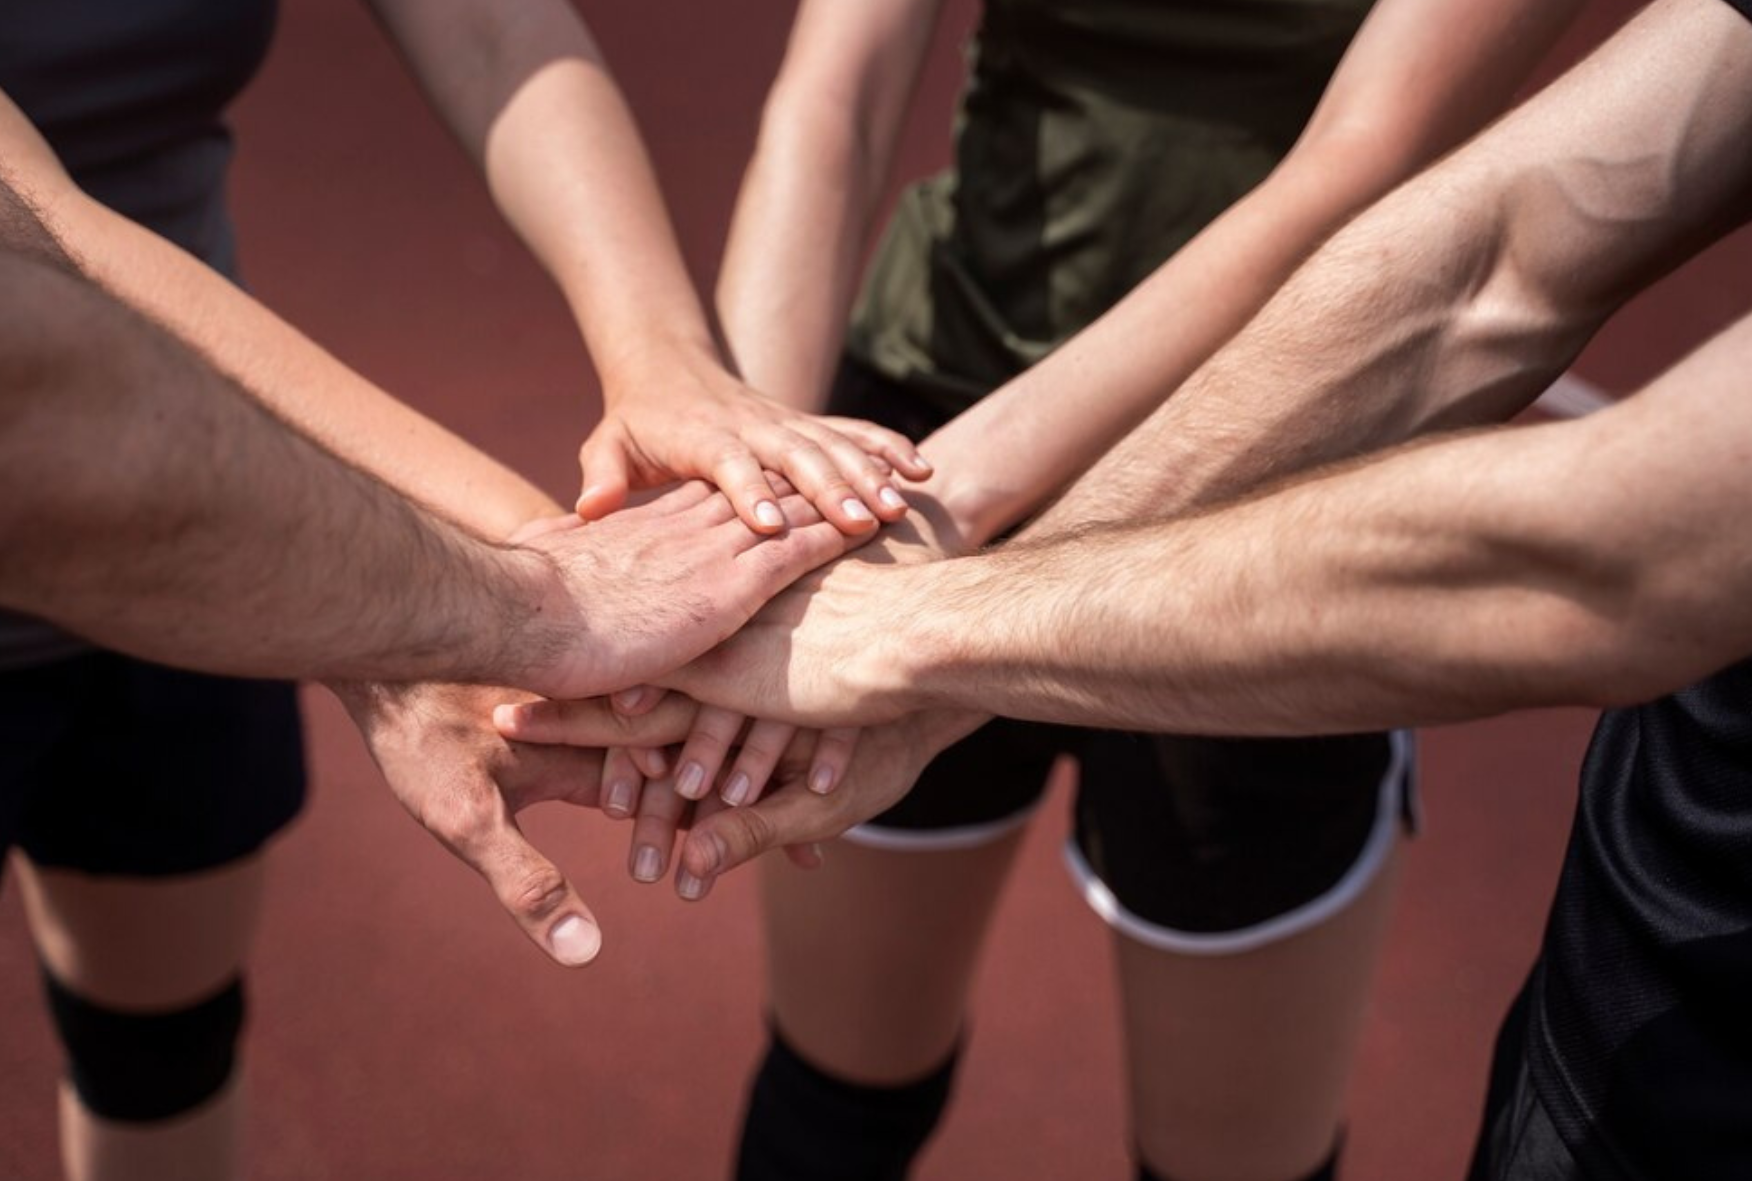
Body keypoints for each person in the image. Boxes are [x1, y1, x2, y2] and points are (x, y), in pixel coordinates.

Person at [501, 0, 1752, 1176]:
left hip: (1279, 496)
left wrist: (923, 545)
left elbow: (1361, 174)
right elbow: (837, 84)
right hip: (905, 450)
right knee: (835, 1086)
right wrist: (747, 508)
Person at [0, 1, 920, 1176]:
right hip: (135, 462)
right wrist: (530, 590)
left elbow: (492, 27)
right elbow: (42, 243)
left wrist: (661, 356)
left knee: (162, 1040)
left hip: (227, 504)